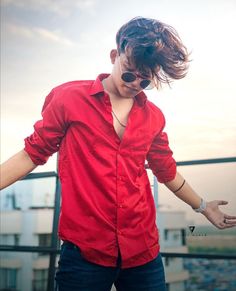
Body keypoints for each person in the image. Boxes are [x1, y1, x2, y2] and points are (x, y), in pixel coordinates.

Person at [1, 16, 236, 291]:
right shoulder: (68, 99)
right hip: (84, 253)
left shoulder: (154, 117)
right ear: (115, 55)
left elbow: (166, 170)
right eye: (129, 72)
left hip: (143, 251)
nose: (135, 83)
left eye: (145, 80)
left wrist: (203, 206)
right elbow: (32, 153)